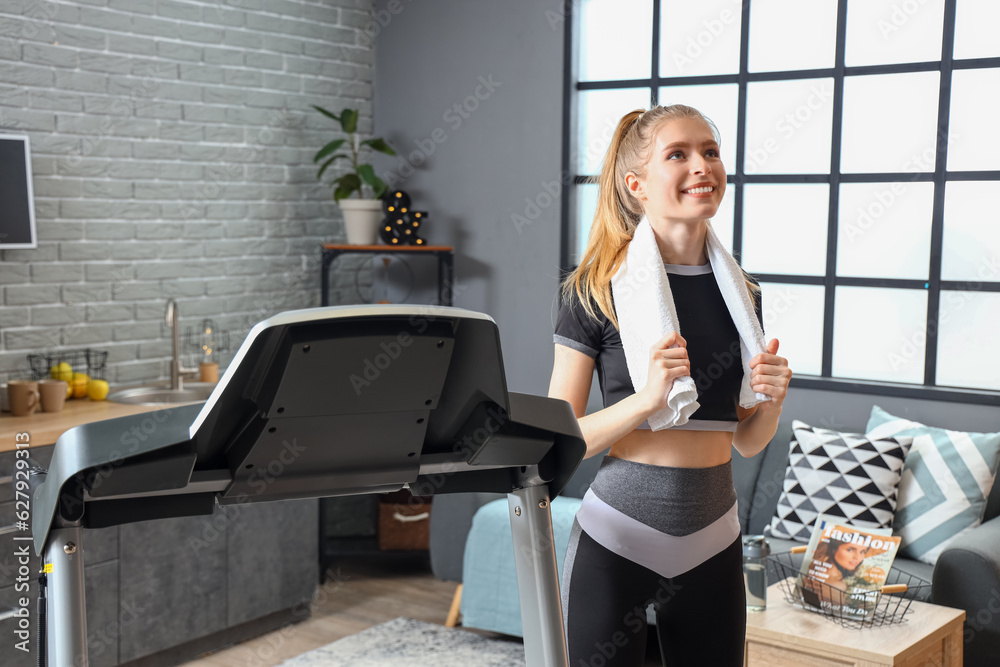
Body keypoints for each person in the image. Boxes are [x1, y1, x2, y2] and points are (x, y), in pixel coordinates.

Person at [549, 104, 792, 666]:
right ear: (636, 185)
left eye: (710, 151)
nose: (702, 165)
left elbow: (746, 439)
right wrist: (647, 402)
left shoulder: (743, 295)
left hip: (715, 539)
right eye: (677, 154)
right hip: (616, 539)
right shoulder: (594, 290)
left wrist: (772, 403)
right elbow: (558, 439)